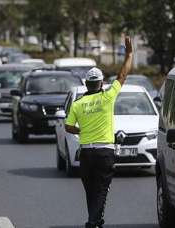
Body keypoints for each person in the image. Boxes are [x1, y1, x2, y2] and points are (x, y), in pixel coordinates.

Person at [65, 37, 133, 228]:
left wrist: (82, 129)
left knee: (91, 191)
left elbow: (68, 127)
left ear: (86, 84)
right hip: (105, 153)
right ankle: (92, 222)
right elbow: (122, 76)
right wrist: (129, 54)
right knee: (102, 190)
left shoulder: (78, 104)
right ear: (101, 84)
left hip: (86, 153)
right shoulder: (108, 97)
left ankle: (96, 221)